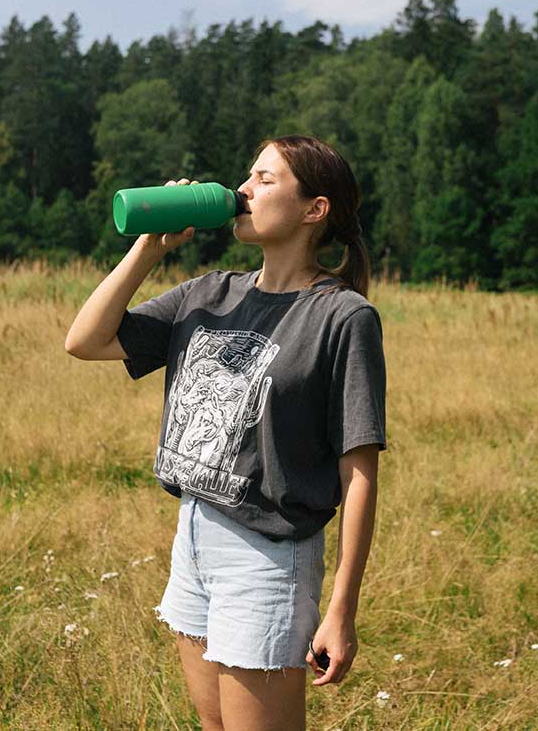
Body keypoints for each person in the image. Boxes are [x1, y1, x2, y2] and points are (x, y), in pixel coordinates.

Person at [65, 135, 388, 730]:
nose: (243, 190)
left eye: (265, 180)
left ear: (314, 209)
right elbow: (84, 341)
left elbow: (360, 470)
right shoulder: (208, 294)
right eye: (247, 176)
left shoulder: (342, 317)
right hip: (194, 536)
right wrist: (148, 248)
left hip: (266, 556)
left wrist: (342, 606)